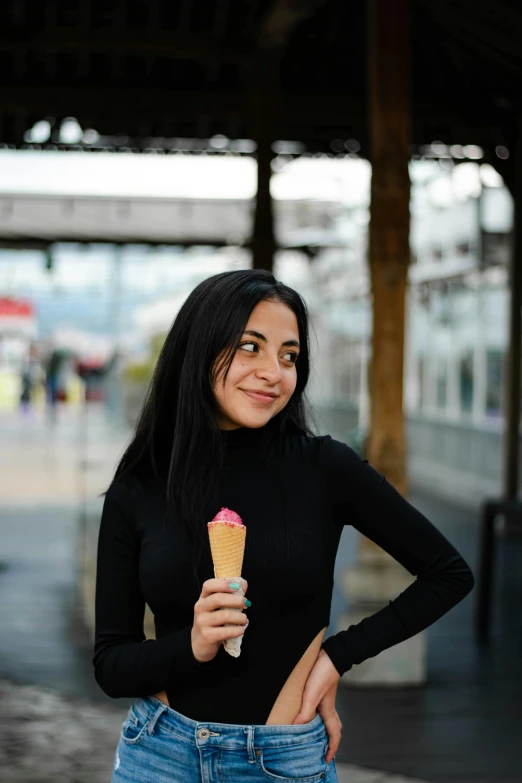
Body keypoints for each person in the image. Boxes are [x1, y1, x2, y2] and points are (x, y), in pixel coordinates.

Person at [93, 269, 474, 783]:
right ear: (198, 348)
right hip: (160, 754)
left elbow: (448, 573)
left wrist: (336, 657)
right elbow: (111, 663)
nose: (274, 371)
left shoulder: (325, 468)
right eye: (250, 347)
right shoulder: (140, 484)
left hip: (280, 761)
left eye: (289, 355)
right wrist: (192, 644)